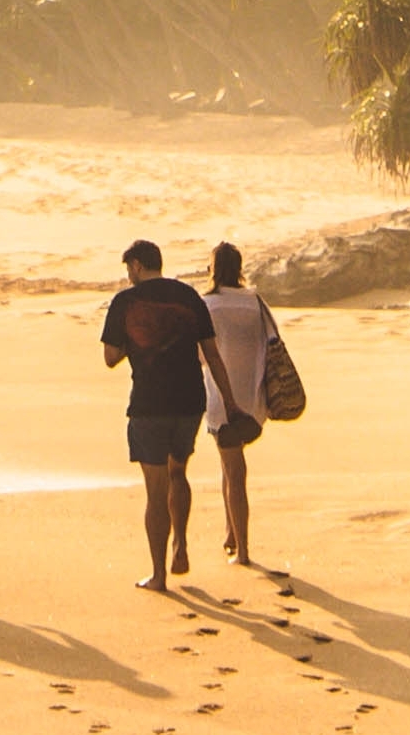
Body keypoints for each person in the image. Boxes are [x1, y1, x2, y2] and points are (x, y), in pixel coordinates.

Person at [96, 238, 218, 587]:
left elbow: (109, 357)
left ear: (136, 265)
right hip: (190, 401)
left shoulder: (125, 302)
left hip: (150, 404)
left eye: (128, 268)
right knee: (178, 472)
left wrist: (135, 343)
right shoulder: (188, 297)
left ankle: (159, 574)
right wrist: (228, 398)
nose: (128, 275)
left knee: (155, 489)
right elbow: (211, 352)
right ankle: (180, 544)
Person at [197, 244, 284, 570]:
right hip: (254, 396)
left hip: (223, 399)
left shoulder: (207, 305)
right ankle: (230, 533)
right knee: (229, 466)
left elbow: (200, 356)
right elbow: (272, 344)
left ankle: (243, 550)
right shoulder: (255, 303)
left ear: (213, 269)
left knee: (234, 471)